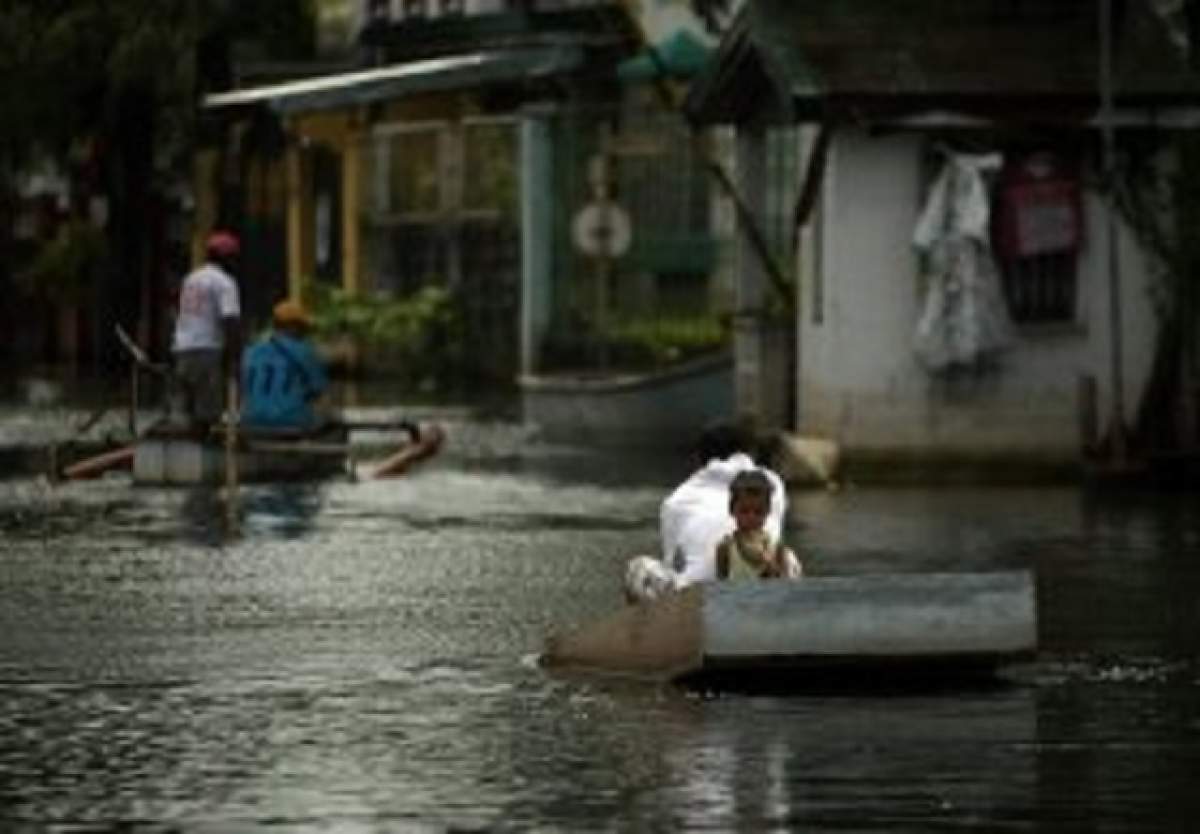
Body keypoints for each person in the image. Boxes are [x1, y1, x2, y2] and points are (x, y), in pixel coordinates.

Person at [623, 419, 802, 603]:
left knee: (638, 568)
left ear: (700, 458)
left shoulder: (678, 500)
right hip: (764, 587)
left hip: (698, 592)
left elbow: (671, 561)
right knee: (788, 556)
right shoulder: (773, 483)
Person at [171, 230, 242, 432]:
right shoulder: (225, 283)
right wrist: (235, 357)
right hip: (207, 349)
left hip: (182, 348)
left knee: (186, 410)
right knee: (208, 411)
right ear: (226, 258)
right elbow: (231, 321)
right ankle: (202, 450)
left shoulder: (190, 279)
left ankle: (186, 447)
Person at [240, 299, 330, 431]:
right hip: (292, 421)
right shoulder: (305, 352)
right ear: (294, 327)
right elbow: (319, 391)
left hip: (252, 420)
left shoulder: (250, 351)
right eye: (304, 327)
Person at [714, 469, 801, 580]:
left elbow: (783, 587)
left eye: (758, 512)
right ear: (732, 510)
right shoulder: (725, 548)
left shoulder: (777, 548)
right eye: (744, 511)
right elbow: (720, 586)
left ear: (768, 511)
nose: (751, 518)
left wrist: (772, 568)